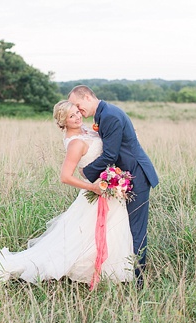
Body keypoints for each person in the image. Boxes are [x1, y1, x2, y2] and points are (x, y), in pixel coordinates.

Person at [0, 100, 134, 288]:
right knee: (82, 236)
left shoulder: (85, 131)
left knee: (102, 232)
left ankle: (107, 271)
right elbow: (65, 177)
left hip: (108, 188)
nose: (77, 117)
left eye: (77, 112)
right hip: (96, 191)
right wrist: (92, 187)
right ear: (63, 122)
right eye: (71, 116)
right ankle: (97, 272)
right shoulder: (75, 143)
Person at [68, 85, 159, 287]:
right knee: (126, 227)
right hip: (126, 174)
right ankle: (123, 273)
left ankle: (138, 281)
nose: (77, 110)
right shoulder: (103, 114)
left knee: (136, 229)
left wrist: (87, 172)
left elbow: (111, 155)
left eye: (78, 104)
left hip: (137, 175)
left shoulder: (108, 115)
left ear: (87, 96)